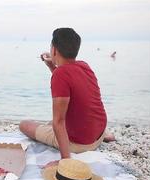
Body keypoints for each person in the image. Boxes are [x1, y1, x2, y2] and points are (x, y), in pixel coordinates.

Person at [19, 28, 115, 168]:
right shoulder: (84, 66)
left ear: (54, 50)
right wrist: (52, 65)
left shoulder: (60, 75)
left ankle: (67, 155)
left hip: (80, 144)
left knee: (25, 125)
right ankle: (105, 135)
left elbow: (59, 121)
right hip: (98, 134)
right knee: (50, 123)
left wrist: (64, 161)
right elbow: (67, 85)